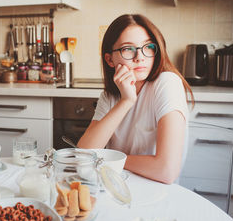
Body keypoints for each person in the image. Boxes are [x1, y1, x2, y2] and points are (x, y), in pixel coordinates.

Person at [77, 14, 193, 184]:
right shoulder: (109, 96)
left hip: (154, 190)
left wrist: (106, 159)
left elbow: (166, 170)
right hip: (115, 185)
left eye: (148, 46)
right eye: (128, 49)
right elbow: (84, 154)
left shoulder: (167, 83)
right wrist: (126, 101)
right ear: (109, 59)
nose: (140, 57)